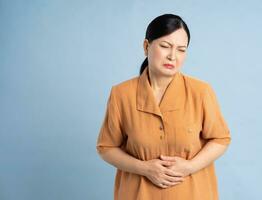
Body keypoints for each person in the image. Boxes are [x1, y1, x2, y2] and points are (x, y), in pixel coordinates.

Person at [96, 13, 232, 200]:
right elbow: (106, 147)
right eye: (165, 46)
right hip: (139, 194)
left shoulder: (200, 92)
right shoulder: (121, 94)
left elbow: (221, 138)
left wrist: (190, 166)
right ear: (146, 46)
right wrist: (144, 168)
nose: (172, 56)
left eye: (181, 49)